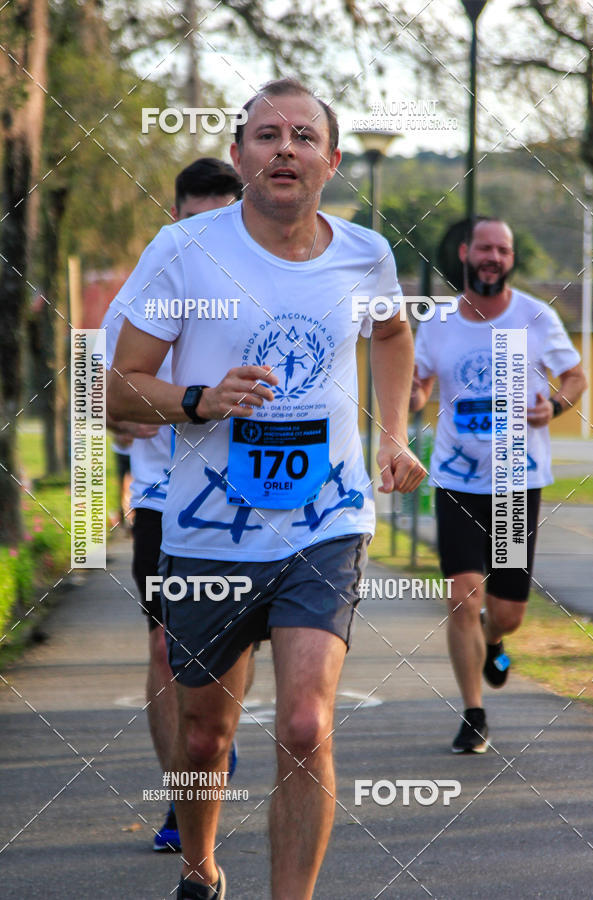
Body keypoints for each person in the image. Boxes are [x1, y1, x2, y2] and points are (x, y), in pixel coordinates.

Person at [108, 77, 426, 900]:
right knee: (207, 735)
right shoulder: (182, 252)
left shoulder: (367, 253)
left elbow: (392, 331)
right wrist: (200, 400)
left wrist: (392, 432)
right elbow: (111, 387)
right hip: (208, 536)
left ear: (332, 160)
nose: (284, 149)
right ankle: (202, 868)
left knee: (305, 723)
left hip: (326, 522)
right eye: (265, 136)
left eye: (302, 137)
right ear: (242, 154)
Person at [102, 158, 244, 852]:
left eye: (223, 219)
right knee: (166, 648)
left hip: (258, 501)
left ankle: (211, 739)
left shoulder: (262, 290)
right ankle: (181, 798)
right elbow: (100, 402)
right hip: (165, 500)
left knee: (241, 651)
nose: (209, 236)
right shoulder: (139, 298)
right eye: (197, 221)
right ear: (174, 219)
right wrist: (127, 419)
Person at [410, 217, 587, 754]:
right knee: (462, 597)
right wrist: (412, 401)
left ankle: (494, 639)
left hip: (515, 481)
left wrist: (553, 405)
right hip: (456, 480)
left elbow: (576, 376)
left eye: (502, 249)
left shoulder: (536, 316)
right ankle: (473, 713)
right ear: (466, 252)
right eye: (485, 247)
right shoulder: (438, 322)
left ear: (511, 259)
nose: (493, 256)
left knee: (504, 611)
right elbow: (417, 382)